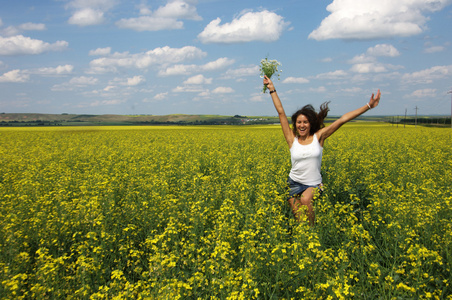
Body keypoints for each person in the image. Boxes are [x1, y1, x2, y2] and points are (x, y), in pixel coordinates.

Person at [263, 75, 381, 225]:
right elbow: (281, 113)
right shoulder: (291, 139)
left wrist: (368, 106)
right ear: (295, 124)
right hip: (293, 183)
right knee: (300, 221)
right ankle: (306, 240)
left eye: (305, 122)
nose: (302, 125)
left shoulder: (319, 137)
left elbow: (342, 120)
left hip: (313, 184)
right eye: (299, 122)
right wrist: (271, 89)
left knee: (306, 200)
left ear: (311, 124)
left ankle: (314, 233)